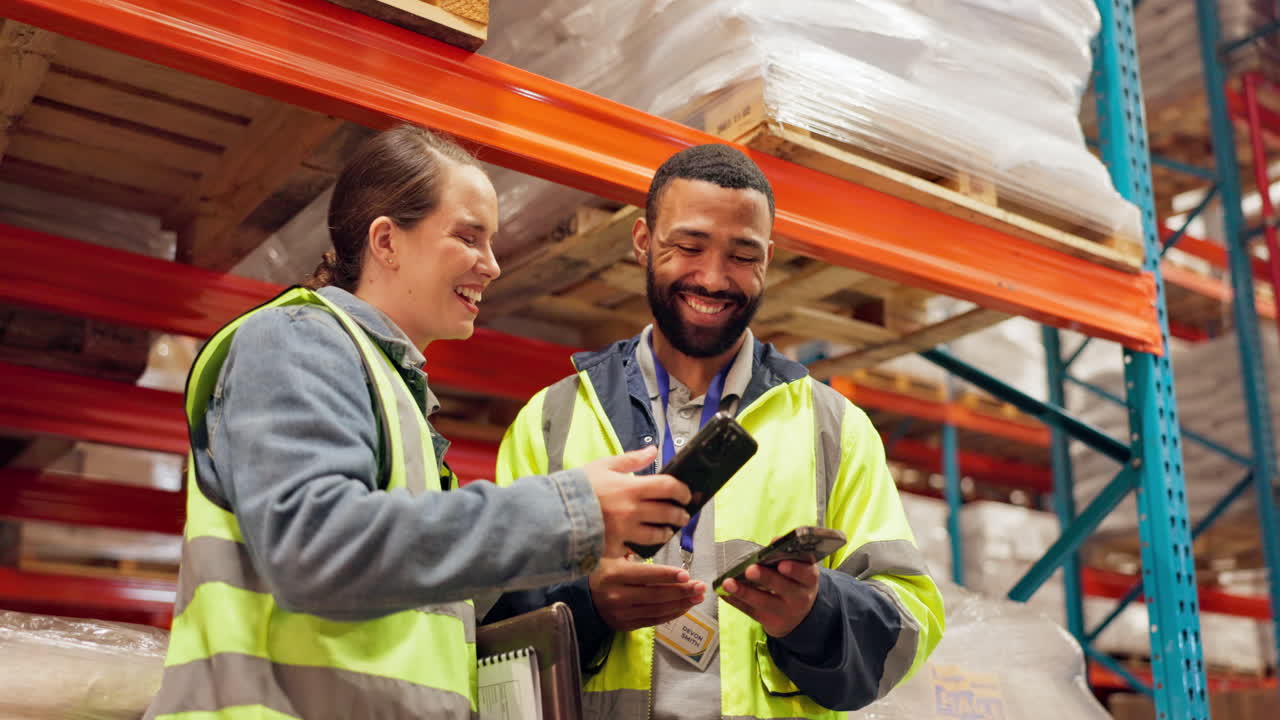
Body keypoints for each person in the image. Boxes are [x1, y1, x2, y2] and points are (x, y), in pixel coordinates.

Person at [145, 125, 692, 720]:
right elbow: (317, 547)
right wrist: (571, 513)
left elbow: (419, 600)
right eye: (469, 237)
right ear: (386, 241)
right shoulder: (295, 341)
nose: (493, 265)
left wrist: (591, 592)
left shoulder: (391, 390)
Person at [486, 144, 944, 719]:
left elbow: (909, 624)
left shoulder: (834, 428)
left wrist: (815, 613)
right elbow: (488, 626)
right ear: (643, 242)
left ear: (768, 260)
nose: (713, 277)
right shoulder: (552, 420)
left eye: (743, 255)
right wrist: (587, 605)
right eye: (689, 246)